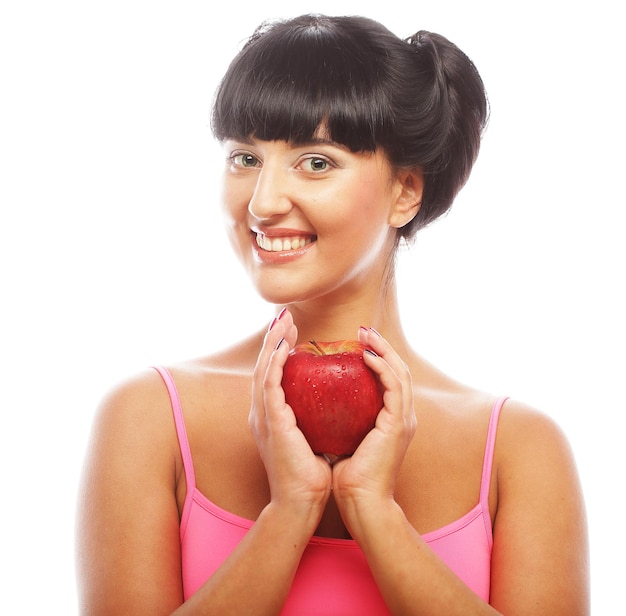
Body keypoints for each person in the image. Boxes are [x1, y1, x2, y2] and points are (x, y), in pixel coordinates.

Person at [76, 14, 589, 615]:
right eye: (245, 157)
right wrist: (289, 510)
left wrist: (375, 511)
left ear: (405, 191)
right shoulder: (148, 420)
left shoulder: (519, 451)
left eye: (316, 162)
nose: (263, 203)